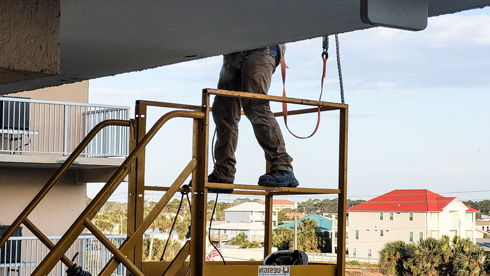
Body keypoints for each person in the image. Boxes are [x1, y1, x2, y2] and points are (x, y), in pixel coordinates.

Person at [209, 44, 299, 190]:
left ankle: (283, 167)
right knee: (224, 111)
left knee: (256, 104)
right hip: (233, 51)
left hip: (261, 47)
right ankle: (223, 173)